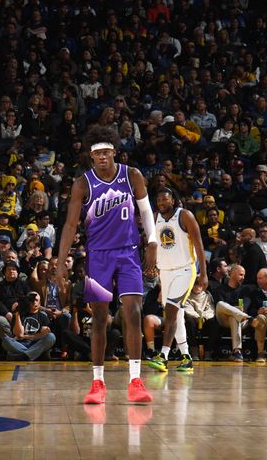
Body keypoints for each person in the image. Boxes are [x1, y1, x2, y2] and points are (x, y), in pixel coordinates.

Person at [55, 125, 156, 404]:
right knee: (99, 318)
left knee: (133, 311)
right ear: (91, 155)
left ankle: (136, 379)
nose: (102, 156)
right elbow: (70, 224)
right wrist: (61, 262)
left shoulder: (131, 175)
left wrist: (153, 243)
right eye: (96, 152)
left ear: (114, 151)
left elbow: (146, 212)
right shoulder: (82, 183)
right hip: (98, 256)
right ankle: (97, 382)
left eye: (106, 151)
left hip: (127, 254)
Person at [146, 188, 208, 374]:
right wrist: (151, 263)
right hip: (165, 272)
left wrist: (203, 273)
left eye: (165, 199)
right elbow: (153, 244)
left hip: (185, 270)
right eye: (159, 200)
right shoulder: (155, 217)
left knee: (171, 311)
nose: (161, 202)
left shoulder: (185, 215)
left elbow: (199, 244)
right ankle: (186, 357)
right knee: (177, 315)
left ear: (173, 199)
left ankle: (163, 356)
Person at [0, 291, 56, 361]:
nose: (34, 302)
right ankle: (34, 354)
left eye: (36, 300)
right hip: (21, 344)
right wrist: (17, 313)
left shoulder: (43, 316)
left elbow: (44, 334)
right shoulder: (20, 315)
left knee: (51, 336)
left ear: (40, 303)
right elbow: (19, 334)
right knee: (5, 340)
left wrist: (25, 336)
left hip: (36, 343)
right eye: (31, 300)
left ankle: (22, 356)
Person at [213, 264, 251, 362]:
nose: (243, 278)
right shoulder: (220, 289)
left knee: (234, 317)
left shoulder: (245, 290)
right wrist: (236, 310)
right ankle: (239, 315)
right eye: (241, 275)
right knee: (221, 304)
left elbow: (245, 307)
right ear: (232, 274)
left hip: (241, 320)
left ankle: (237, 351)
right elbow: (219, 307)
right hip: (224, 319)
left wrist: (234, 312)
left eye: (244, 275)